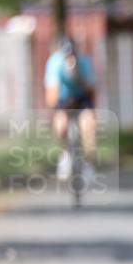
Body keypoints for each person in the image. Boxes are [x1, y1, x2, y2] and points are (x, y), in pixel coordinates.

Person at [45, 38, 97, 183]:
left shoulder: (85, 62)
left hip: (82, 100)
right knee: (61, 126)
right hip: (63, 101)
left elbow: (92, 91)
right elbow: (51, 96)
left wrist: (78, 77)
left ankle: (88, 164)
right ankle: (65, 153)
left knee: (89, 127)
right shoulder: (54, 64)